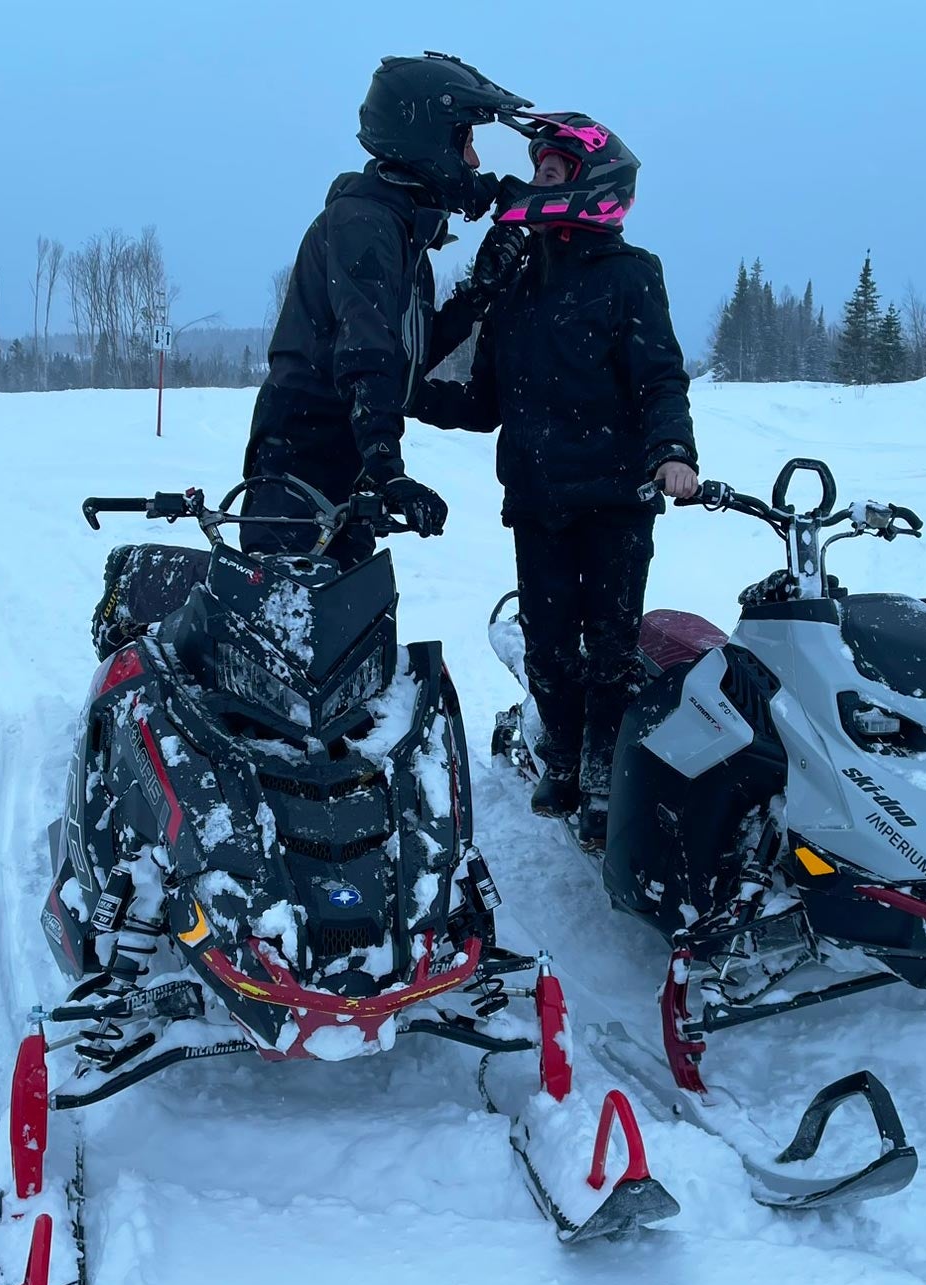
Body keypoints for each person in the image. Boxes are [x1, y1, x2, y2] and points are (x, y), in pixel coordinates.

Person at [412, 112, 699, 843]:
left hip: (616, 495)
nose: (534, 180)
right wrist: (403, 391)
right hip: (537, 498)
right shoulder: (517, 283)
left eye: (549, 171)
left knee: (609, 644)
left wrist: (673, 450)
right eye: (536, 169)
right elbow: (481, 403)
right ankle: (564, 754)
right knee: (546, 641)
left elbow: (660, 375)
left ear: (591, 183)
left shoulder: (632, 275)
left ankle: (605, 768)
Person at [241, 53, 530, 564]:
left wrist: (476, 295)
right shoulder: (366, 223)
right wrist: (387, 468)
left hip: (339, 455)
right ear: (428, 140)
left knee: (354, 619)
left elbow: (404, 359)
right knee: (300, 622)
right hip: (303, 457)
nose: (475, 162)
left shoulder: (400, 226)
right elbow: (366, 353)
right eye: (466, 142)